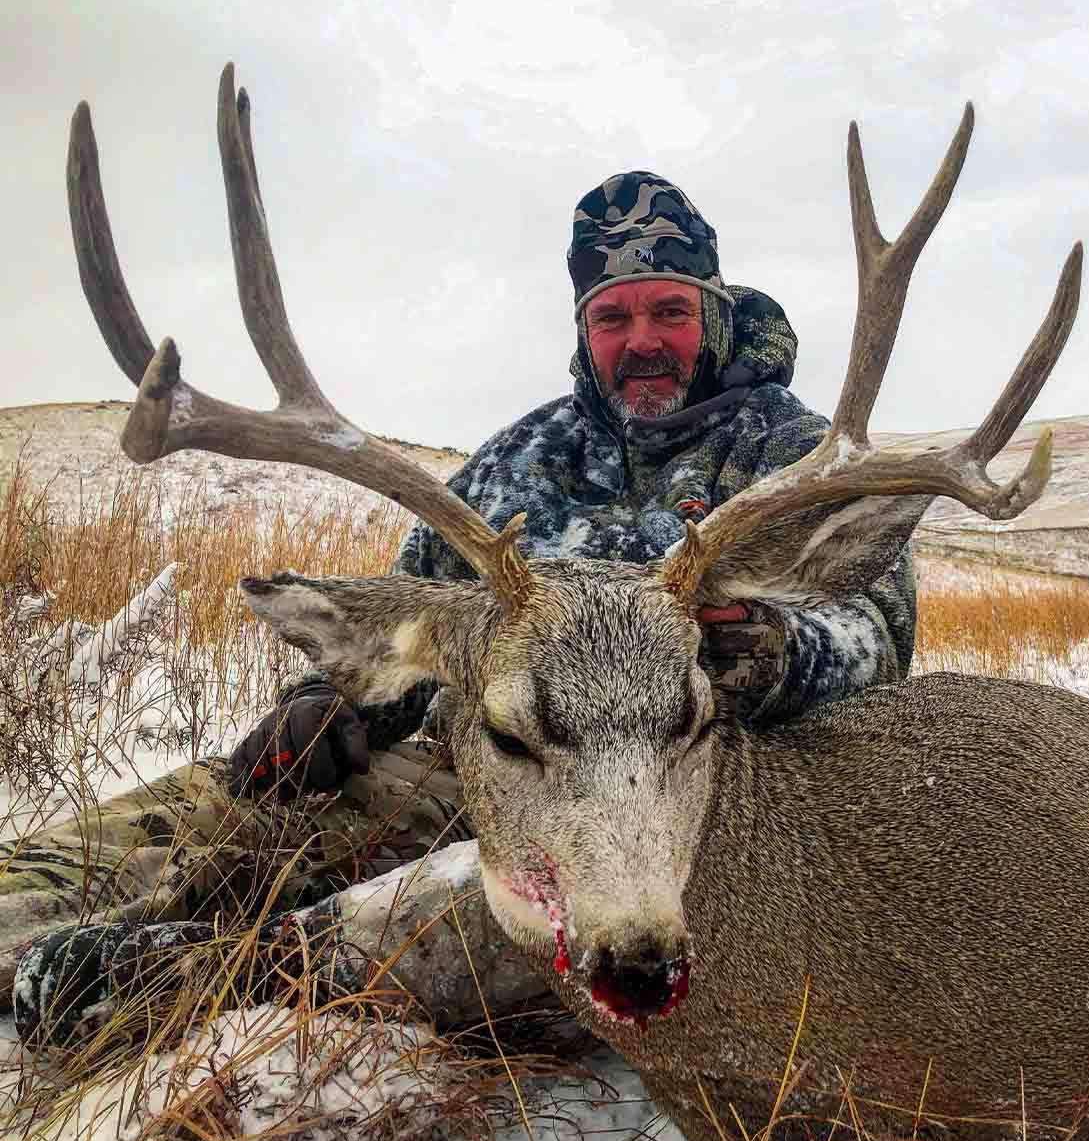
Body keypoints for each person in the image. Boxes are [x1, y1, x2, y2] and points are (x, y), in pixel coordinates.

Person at [4, 172, 917, 1045]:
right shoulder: (520, 457)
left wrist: (778, 651)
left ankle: (204, 978)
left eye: (669, 310)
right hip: (487, 758)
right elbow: (419, 611)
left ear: (711, 314)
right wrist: (332, 697)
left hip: (682, 795)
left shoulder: (791, 455)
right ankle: (27, 908)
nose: (642, 338)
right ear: (584, 329)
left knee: (508, 911)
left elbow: (877, 627)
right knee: (228, 813)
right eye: (613, 316)